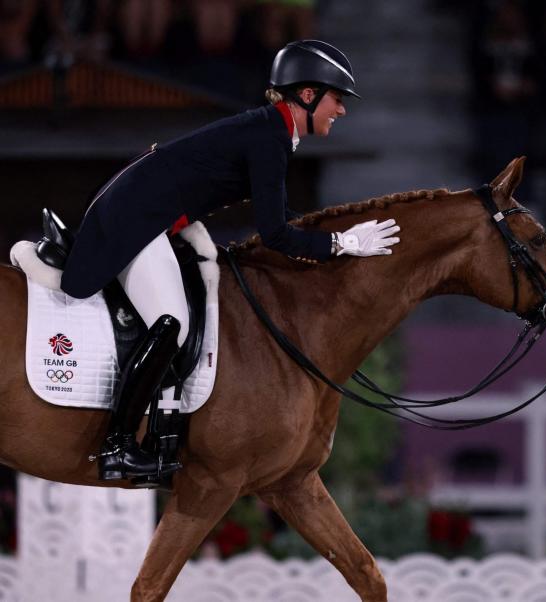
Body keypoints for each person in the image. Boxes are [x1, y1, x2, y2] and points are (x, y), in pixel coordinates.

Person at [59, 40, 401, 482]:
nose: (342, 110)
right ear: (309, 95)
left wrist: (342, 238)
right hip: (137, 219)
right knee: (171, 324)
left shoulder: (271, 131)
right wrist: (341, 245)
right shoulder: (270, 137)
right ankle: (118, 446)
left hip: (149, 213)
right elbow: (276, 235)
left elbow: (277, 218)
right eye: (337, 99)